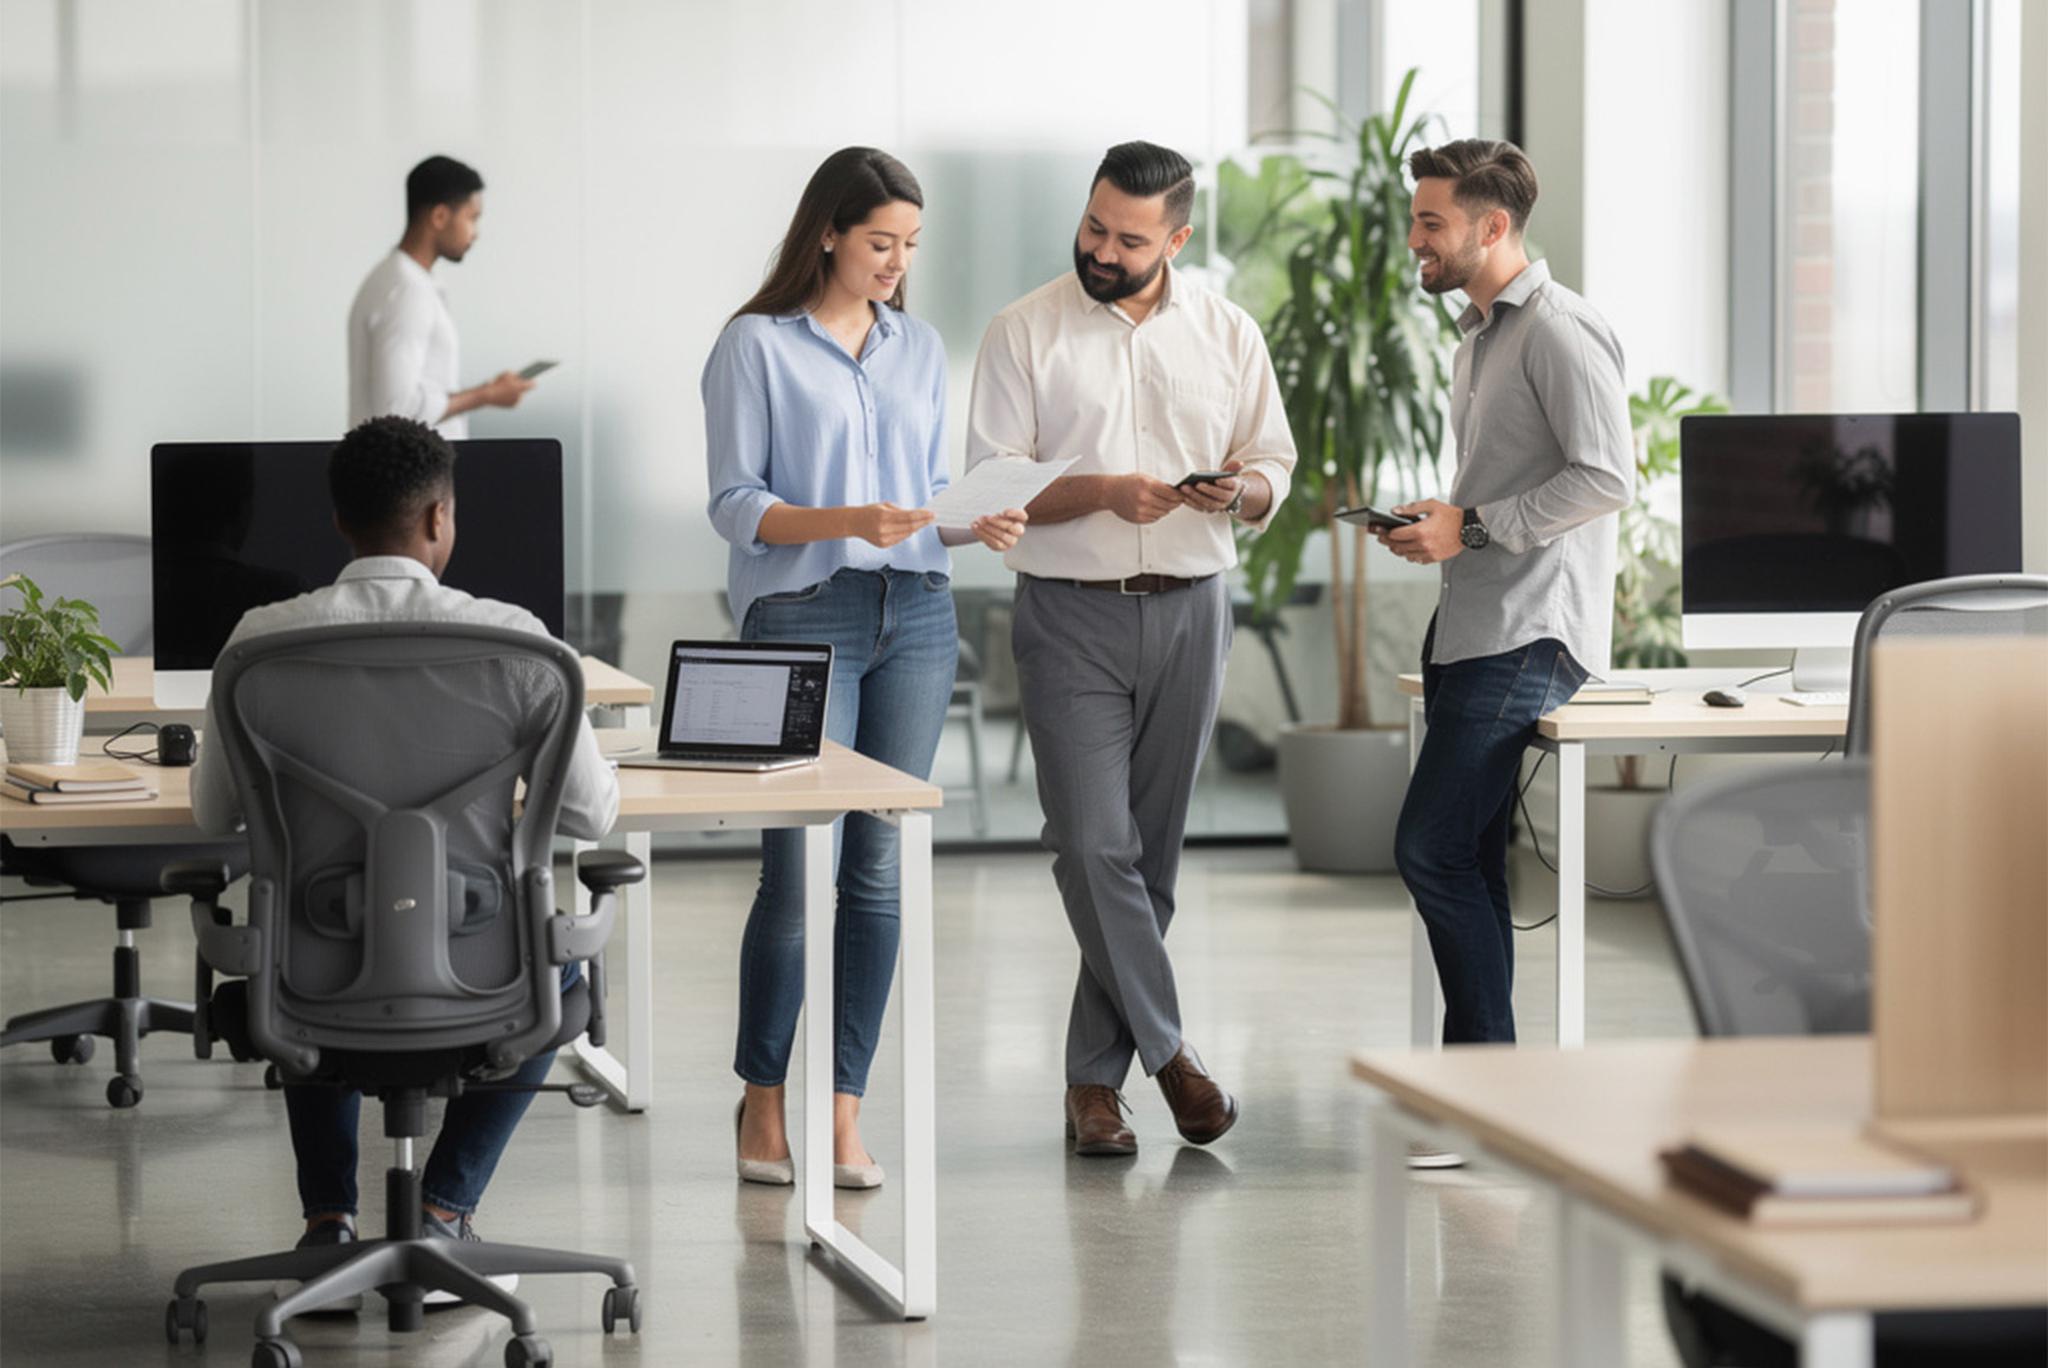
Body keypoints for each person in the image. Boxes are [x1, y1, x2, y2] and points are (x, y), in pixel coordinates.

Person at [192, 415, 619, 1307]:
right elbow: (590, 810)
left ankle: (328, 1224)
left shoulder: (260, 644)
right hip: (485, 980)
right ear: (439, 517)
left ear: (340, 522)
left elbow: (211, 813)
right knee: (561, 975)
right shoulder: (519, 646)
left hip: (308, 983)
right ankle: (445, 1212)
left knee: (304, 925)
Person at [965, 141, 1297, 1157]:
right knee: (1089, 844)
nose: (1102, 251)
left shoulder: (1228, 331)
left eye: (1129, 239)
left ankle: (1091, 1090)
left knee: (1147, 862)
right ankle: (1173, 1057)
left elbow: (1272, 464)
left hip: (1194, 609)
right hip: (1071, 617)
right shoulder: (1024, 330)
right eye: (1094, 227)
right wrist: (1105, 491)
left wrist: (1238, 490)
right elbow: (993, 481)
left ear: (1177, 239)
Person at [703, 147, 1025, 1191]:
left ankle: (842, 1110)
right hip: (803, 614)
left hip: (916, 611)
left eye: (911, 245)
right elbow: (735, 506)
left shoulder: (916, 347)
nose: (897, 262)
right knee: (799, 867)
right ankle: (763, 1101)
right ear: (829, 232)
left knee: (877, 868)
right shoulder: (754, 344)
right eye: (881, 241)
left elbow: (923, 499)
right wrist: (846, 519)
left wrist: (976, 521)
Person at [1379, 139, 1631, 1137]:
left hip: (1530, 629)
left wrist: (1474, 526)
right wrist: (1445, 520)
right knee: (1469, 859)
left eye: (1430, 222)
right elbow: (1505, 487)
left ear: (1492, 226)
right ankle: (1485, 1096)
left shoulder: (1559, 330)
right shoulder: (1477, 340)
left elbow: (1605, 476)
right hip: (1474, 620)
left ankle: (1485, 1095)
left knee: (1429, 848)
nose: (1414, 239)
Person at [347, 155, 534, 438]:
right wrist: (487, 394)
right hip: (406, 465)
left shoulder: (401, 280)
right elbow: (397, 408)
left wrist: (490, 391)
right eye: (472, 218)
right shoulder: (406, 290)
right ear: (440, 217)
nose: (476, 233)